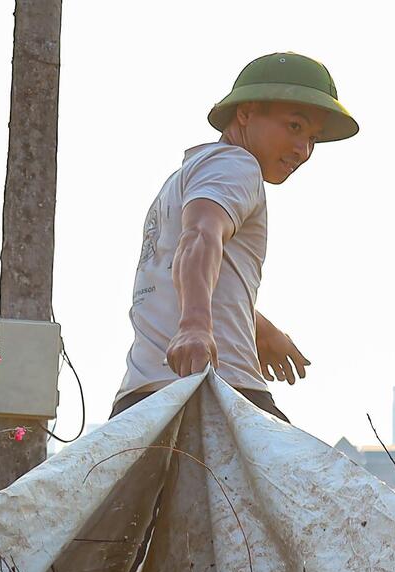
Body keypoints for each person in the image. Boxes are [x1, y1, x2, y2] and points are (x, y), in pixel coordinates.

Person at [110, 52, 358, 423]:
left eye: (312, 138)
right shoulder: (236, 165)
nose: (302, 150)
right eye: (294, 127)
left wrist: (261, 328)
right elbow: (200, 236)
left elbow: (190, 261)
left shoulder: (191, 174)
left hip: (141, 398)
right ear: (245, 114)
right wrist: (194, 325)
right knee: (315, 481)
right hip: (215, 390)